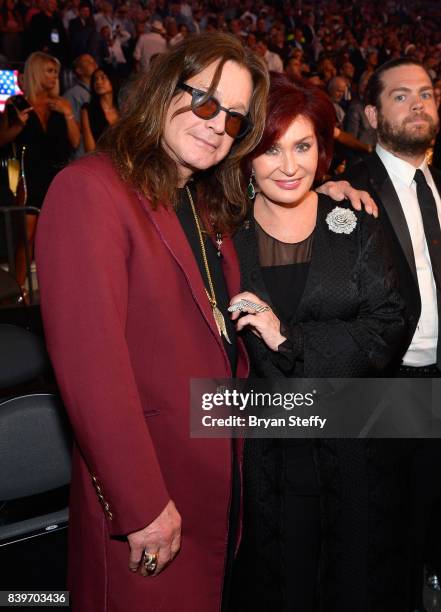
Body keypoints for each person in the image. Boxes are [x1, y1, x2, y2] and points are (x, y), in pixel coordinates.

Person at [35, 32, 376, 612]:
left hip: (216, 493)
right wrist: (140, 503)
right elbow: (93, 374)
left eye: (236, 118)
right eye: (205, 102)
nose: (218, 125)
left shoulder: (200, 204)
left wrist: (327, 191)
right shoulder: (91, 189)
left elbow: (276, 202)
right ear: (164, 88)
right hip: (152, 503)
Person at [229, 74, 409, 612]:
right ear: (247, 157)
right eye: (271, 149)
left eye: (303, 146)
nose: (289, 166)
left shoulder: (353, 222)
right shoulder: (223, 235)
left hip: (351, 451)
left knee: (350, 580)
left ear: (323, 150)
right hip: (259, 456)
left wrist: (290, 338)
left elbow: (387, 327)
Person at [342, 57, 441, 612]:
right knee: (391, 534)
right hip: (389, 386)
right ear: (373, 115)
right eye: (401, 96)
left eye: (426, 92)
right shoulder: (344, 189)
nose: (419, 102)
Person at [0, 51, 80, 287]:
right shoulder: (17, 104)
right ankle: (18, 292)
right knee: (26, 239)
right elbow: (3, 140)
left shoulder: (60, 104)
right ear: (35, 71)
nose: (54, 76)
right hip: (29, 176)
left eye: (56, 72)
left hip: (58, 177)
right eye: (49, 71)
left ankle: (60, 290)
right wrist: (18, 126)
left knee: (58, 239)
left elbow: (75, 143)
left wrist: (67, 114)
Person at [81, 66, 119, 152]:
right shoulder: (87, 109)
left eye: (103, 77)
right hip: (99, 159)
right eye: (95, 79)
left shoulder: (121, 108)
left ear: (112, 80)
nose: (98, 82)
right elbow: (89, 149)